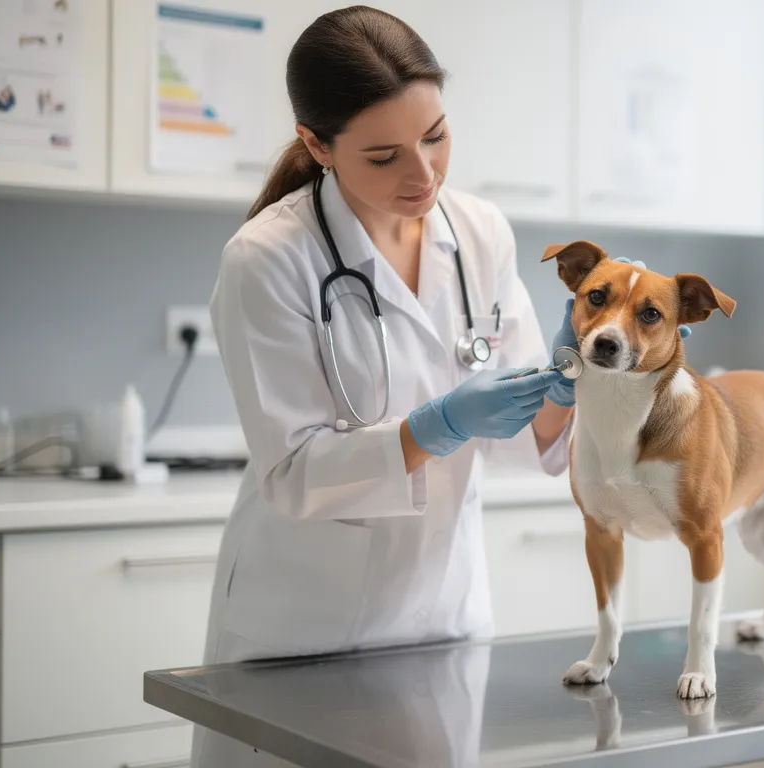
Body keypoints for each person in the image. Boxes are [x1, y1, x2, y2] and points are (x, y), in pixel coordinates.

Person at [191, 7, 589, 766]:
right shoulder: (269, 260)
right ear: (317, 145)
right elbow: (294, 474)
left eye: (435, 136)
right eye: (383, 156)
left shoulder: (480, 233)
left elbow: (532, 434)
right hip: (301, 626)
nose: (424, 174)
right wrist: (431, 427)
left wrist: (567, 389)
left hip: (441, 615)